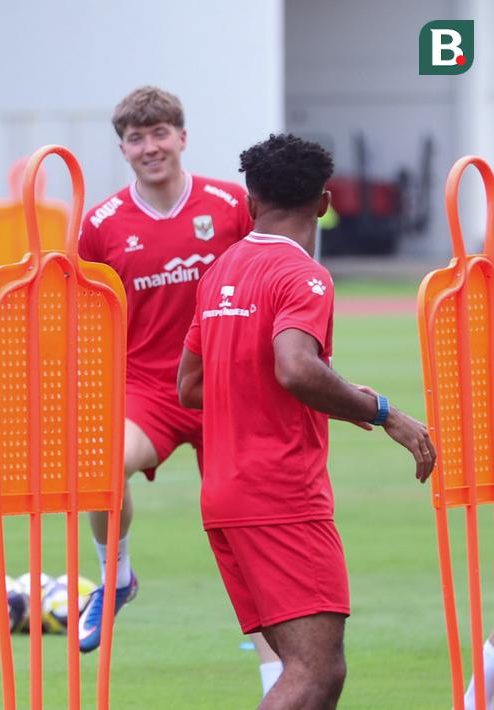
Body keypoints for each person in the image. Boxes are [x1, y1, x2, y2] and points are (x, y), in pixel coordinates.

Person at [177, 133, 435, 709]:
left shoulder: (220, 272)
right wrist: (382, 412)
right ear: (324, 202)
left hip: (225, 494)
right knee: (317, 673)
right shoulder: (304, 275)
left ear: (250, 201)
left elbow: (190, 387)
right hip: (281, 495)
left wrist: (322, 390)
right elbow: (295, 368)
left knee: (304, 671)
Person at [74, 84, 284, 690]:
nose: (150, 147)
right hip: (150, 391)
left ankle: (278, 678)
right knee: (99, 466)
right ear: (123, 148)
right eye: (136, 138)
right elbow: (86, 316)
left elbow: (274, 273)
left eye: (160, 133)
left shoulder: (231, 205)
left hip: (228, 390)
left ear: (182, 137)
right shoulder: (101, 226)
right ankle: (115, 577)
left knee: (245, 531)